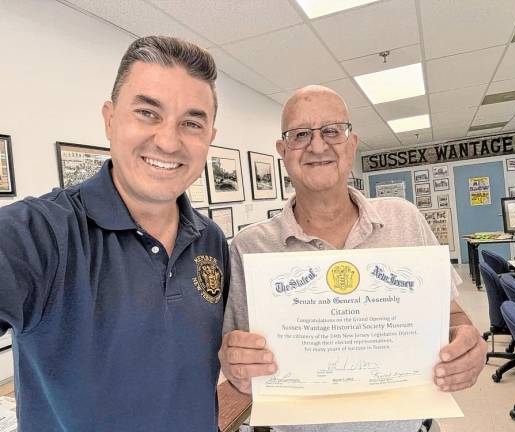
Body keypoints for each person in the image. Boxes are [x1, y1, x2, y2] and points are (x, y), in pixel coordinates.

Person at [220, 85, 487, 432]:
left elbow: (451, 314)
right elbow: (237, 350)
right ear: (283, 151)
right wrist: (234, 362)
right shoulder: (249, 246)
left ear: (352, 143)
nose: (318, 146)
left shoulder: (405, 219)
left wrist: (468, 345)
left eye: (332, 131)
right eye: (301, 135)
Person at [0, 36, 229, 431]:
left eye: (191, 123)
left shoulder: (211, 239)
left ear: (209, 137)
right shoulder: (42, 233)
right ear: (110, 119)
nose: (168, 141)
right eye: (147, 113)